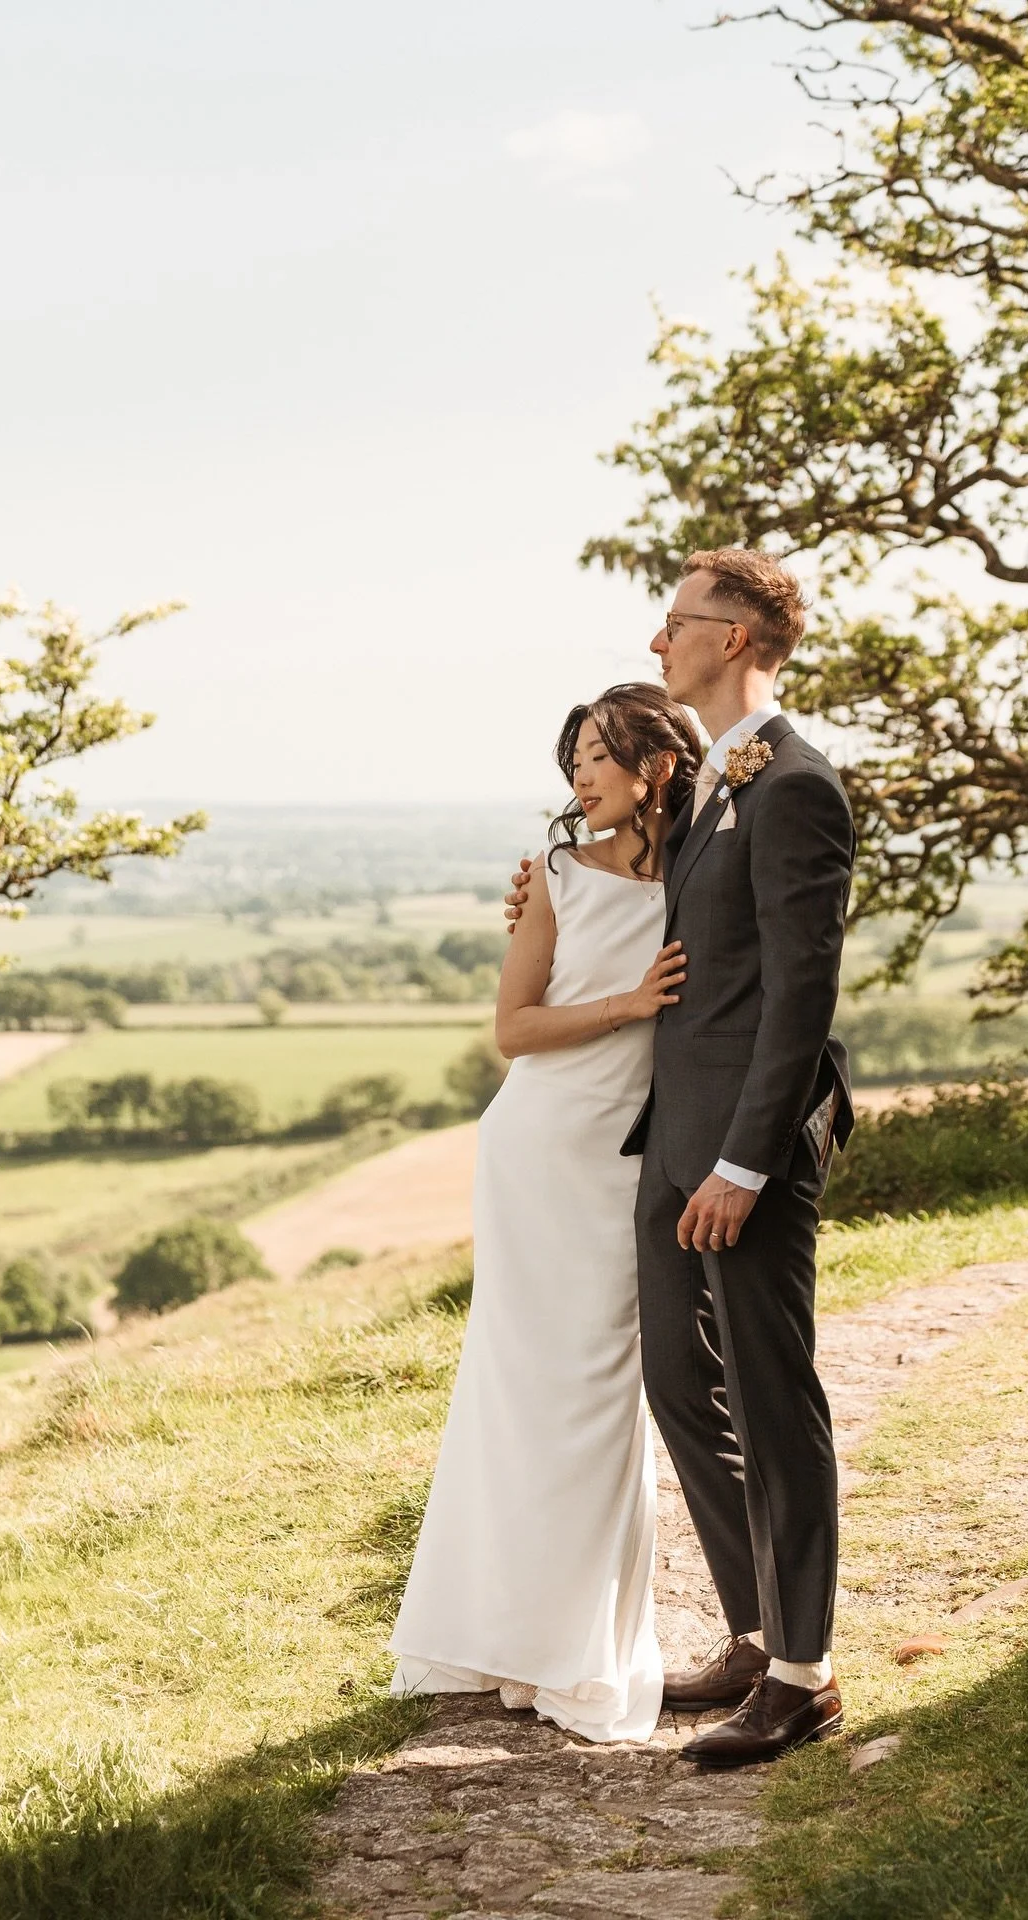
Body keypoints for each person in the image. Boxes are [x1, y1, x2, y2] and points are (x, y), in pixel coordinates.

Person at [508, 548, 856, 1767]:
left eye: (677, 625)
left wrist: (750, 1165)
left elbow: (799, 996)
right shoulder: (713, 784)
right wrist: (552, 885)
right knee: (677, 1386)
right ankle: (757, 1634)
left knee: (774, 1398)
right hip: (671, 1145)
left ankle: (805, 1676)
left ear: (742, 635)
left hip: (739, 1161)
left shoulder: (796, 785)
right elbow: (654, 897)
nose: (659, 646)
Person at [388, 682, 702, 1743]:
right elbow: (512, 1031)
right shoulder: (557, 875)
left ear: (656, 766)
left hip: (624, 1166)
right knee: (518, 1388)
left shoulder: (707, 860)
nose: (581, 778)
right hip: (536, 1151)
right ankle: (500, 1641)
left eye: (601, 759)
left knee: (599, 1395)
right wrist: (628, 1003)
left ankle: (571, 1649)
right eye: (573, 762)